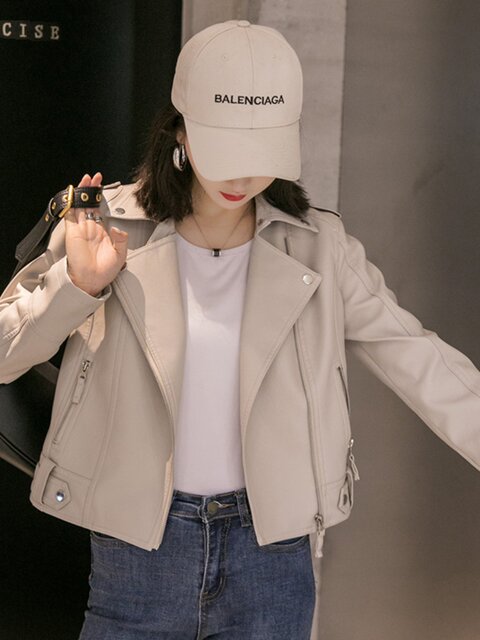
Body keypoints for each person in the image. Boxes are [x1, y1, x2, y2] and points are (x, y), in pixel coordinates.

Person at [0, 19, 479, 640]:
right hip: (138, 552)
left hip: (270, 555)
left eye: (261, 153)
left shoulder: (320, 247)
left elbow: (416, 357)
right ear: (179, 132)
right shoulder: (108, 226)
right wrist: (79, 285)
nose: (241, 178)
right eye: (226, 149)